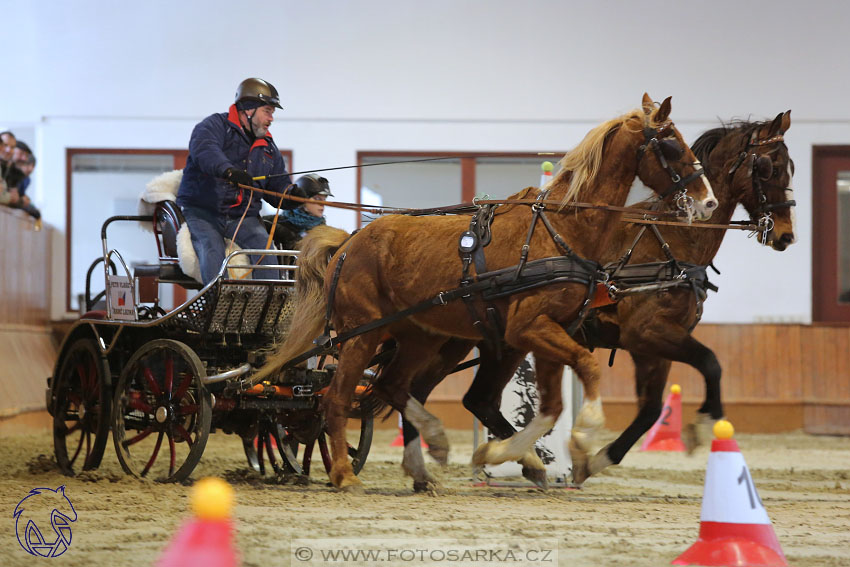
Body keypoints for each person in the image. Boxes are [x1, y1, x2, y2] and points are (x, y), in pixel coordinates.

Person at [176, 78, 298, 284]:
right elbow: (205, 150)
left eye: (272, 113)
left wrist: (292, 195)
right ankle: (217, 306)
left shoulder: (267, 146)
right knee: (212, 250)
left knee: (266, 253)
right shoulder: (214, 126)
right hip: (203, 213)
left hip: (244, 216)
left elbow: (277, 184)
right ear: (248, 109)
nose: (271, 118)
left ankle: (266, 310)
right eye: (267, 111)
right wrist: (229, 171)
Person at [265, 174, 333, 250]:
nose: (322, 204)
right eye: (317, 199)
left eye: (324, 199)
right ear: (301, 198)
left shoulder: (326, 233)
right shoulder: (273, 224)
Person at [8, 141, 42, 221]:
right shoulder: (10, 171)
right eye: (28, 165)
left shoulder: (26, 179)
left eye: (33, 166)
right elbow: (14, 197)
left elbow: (20, 195)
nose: (31, 169)